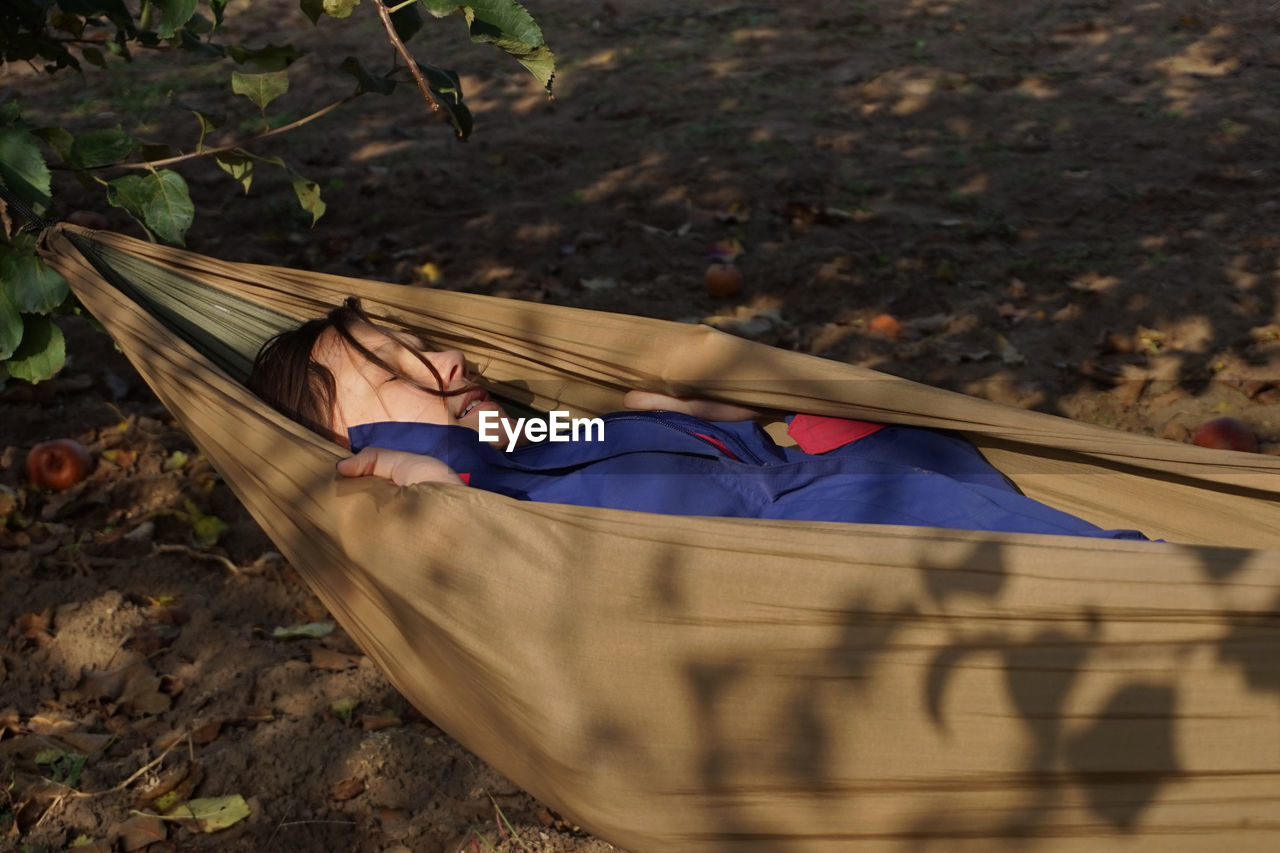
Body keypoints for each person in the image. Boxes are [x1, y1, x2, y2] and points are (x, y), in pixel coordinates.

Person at [249, 298, 1147, 540]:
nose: (449, 360)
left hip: (805, 483)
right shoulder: (450, 474)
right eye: (403, 370)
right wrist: (430, 489)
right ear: (343, 441)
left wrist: (668, 415)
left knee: (935, 474)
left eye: (427, 344)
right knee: (1001, 547)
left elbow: (604, 448)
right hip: (792, 542)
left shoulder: (513, 435)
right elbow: (487, 545)